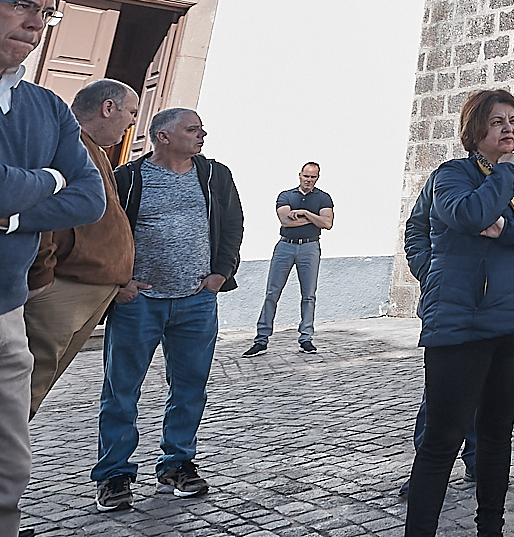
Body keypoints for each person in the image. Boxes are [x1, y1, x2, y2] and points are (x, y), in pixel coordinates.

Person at [407, 89, 514, 537]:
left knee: (498, 434)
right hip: (463, 325)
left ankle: (490, 528)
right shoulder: (452, 175)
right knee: (443, 440)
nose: (508, 128)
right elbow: (471, 212)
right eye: (497, 121)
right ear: (476, 129)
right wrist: (501, 175)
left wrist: (507, 230)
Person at [0, 0, 106, 537]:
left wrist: (7, 215)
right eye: (21, 5)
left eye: (47, 12)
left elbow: (90, 200)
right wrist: (48, 180)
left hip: (7, 315)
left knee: (3, 478)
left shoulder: (47, 106)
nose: (36, 22)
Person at [94, 107, 243, 512]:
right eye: (193, 129)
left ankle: (177, 464)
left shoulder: (214, 176)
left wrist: (220, 273)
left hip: (196, 302)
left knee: (190, 389)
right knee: (121, 391)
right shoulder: (128, 178)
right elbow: (104, 230)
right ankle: (113, 475)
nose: (202, 135)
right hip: (138, 304)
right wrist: (119, 282)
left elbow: (232, 225)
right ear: (163, 137)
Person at [24, 78, 138, 416]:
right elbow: (42, 207)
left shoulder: (94, 150)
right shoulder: (65, 141)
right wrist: (41, 274)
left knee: (35, 386)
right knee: (22, 383)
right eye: (130, 112)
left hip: (89, 287)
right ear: (108, 108)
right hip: (62, 286)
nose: (133, 121)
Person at [398, 167, 478, 496]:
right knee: (440, 392)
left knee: (487, 390)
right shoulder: (446, 177)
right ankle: (428, 470)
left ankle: (478, 461)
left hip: (500, 304)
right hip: (448, 301)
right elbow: (417, 228)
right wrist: (430, 273)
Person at [244, 162, 334, 356]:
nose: (309, 180)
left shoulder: (323, 197)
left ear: (317, 178)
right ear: (299, 175)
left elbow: (327, 223)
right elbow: (285, 221)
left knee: (309, 295)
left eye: (313, 177)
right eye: (306, 176)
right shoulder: (286, 196)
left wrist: (305, 213)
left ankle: (306, 338)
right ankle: (261, 339)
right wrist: (314, 218)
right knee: (272, 292)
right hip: (285, 245)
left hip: (310, 247)